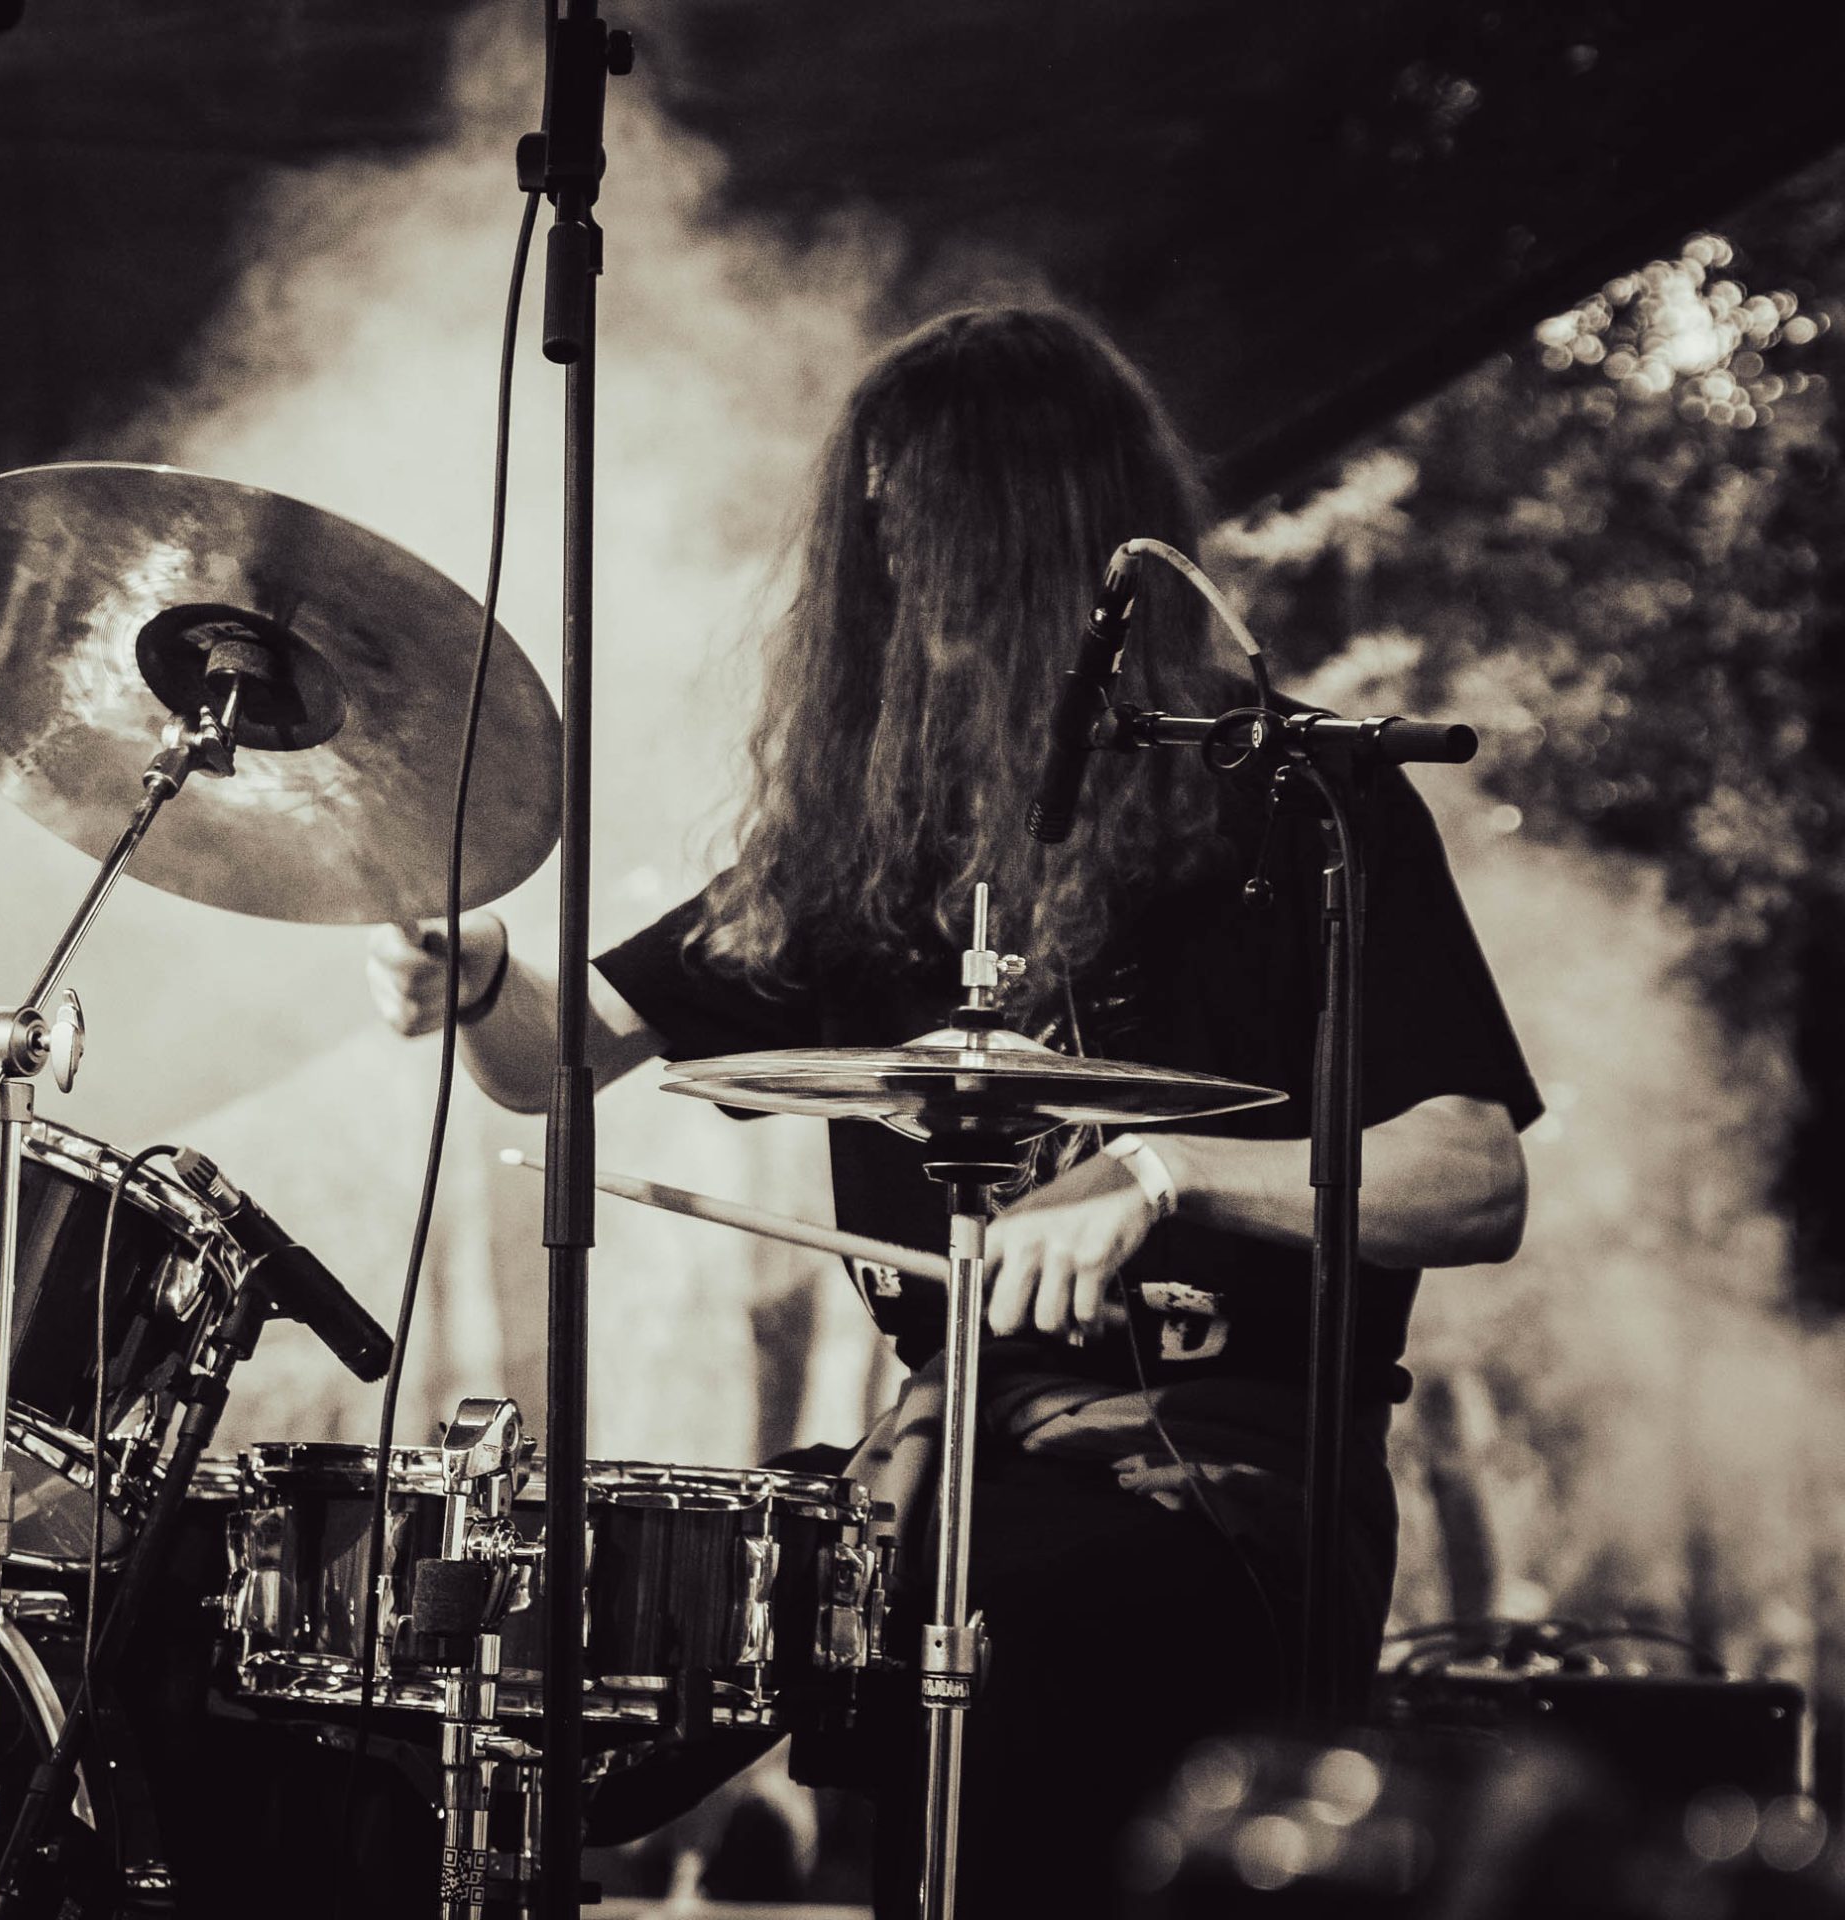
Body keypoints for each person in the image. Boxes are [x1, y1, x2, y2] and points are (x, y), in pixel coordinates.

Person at [365, 305, 1537, 1914]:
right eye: (877, 536)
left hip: (1238, 1472)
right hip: (959, 1451)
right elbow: (554, 1056)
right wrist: (485, 971)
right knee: (642, 1613)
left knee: (988, 1610)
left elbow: (1474, 1175)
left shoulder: (1302, 805)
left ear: (1046, 532)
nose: (900, 580)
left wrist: (1163, 1174)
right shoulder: (874, 841)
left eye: (931, 530)